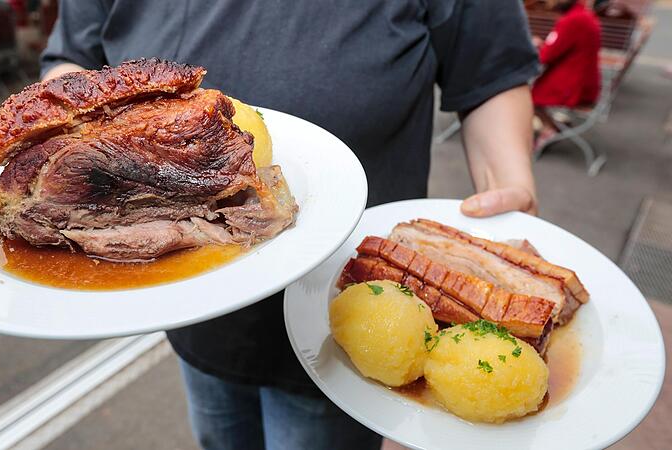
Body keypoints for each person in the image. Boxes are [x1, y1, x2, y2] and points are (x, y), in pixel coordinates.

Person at [40, 1, 539, 449]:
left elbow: (490, 73)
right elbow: (71, 69)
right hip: (189, 309)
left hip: (349, 316)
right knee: (217, 436)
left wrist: (506, 193)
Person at [532, 0, 601, 148]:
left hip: (573, 87)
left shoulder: (572, 20)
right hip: (585, 83)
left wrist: (538, 46)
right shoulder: (583, 15)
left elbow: (546, 56)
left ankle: (549, 128)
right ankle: (552, 127)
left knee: (526, 98)